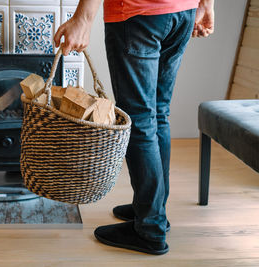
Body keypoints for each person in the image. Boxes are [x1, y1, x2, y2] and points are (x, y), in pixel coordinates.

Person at [54, 0, 214, 255]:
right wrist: (206, 4)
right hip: (181, 10)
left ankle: (150, 228)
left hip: (139, 14)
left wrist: (82, 19)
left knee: (140, 118)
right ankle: (152, 208)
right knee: (158, 113)